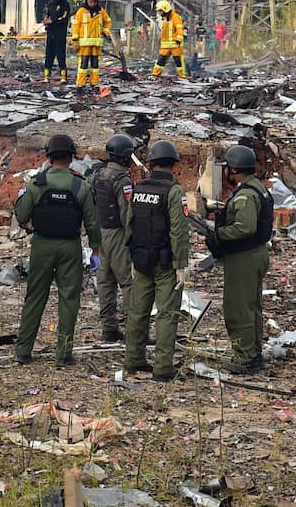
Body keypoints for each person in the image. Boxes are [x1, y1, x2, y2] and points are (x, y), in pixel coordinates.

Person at [14, 134, 101, 366]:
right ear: (71, 157)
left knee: (34, 297)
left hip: (42, 245)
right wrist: (95, 249)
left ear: (49, 156)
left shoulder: (36, 183)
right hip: (69, 247)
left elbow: (21, 215)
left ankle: (23, 351)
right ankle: (63, 354)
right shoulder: (80, 185)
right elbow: (92, 222)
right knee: (69, 299)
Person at [122, 141, 189, 380]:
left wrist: (131, 256)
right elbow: (178, 231)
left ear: (151, 163)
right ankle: (162, 368)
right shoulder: (174, 191)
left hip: (140, 260)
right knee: (167, 314)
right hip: (164, 263)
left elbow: (130, 223)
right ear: (173, 164)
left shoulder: (138, 188)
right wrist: (181, 264)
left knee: (137, 312)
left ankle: (133, 360)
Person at [208, 144, 273, 374]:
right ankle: (253, 352)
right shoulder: (256, 188)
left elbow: (245, 227)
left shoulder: (245, 195)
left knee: (238, 308)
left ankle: (245, 357)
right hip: (254, 254)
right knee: (251, 306)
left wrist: (219, 234)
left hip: (244, 257)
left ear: (234, 169)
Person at [91, 134, 137, 342]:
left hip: (102, 233)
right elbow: (127, 213)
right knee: (128, 282)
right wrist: (132, 241)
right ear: (125, 157)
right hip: (118, 234)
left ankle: (109, 328)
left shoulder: (98, 176)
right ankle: (133, 330)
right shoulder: (123, 180)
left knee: (105, 282)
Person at [71, 0, 112, 88]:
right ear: (87, 1)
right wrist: (75, 40)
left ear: (97, 2)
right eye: (90, 1)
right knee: (83, 65)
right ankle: (81, 84)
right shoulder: (81, 11)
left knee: (95, 65)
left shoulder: (101, 12)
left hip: (96, 44)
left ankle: (94, 83)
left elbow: (108, 22)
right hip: (84, 44)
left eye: (94, 2)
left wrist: (106, 31)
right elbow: (76, 26)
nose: (92, 3)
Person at [152, 0, 188, 79]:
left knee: (178, 62)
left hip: (175, 45)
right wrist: (160, 40)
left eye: (160, 11)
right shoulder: (164, 19)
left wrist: (178, 39)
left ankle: (183, 76)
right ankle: (155, 75)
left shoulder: (176, 17)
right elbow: (165, 32)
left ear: (165, 9)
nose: (159, 13)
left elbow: (179, 29)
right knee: (160, 61)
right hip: (165, 45)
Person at [42, 0, 71, 83]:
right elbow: (47, 15)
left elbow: (64, 17)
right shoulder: (50, 4)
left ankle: (63, 75)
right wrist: (46, 21)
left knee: (60, 54)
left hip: (60, 33)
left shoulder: (64, 3)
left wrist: (53, 21)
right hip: (50, 33)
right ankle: (46, 75)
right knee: (49, 54)